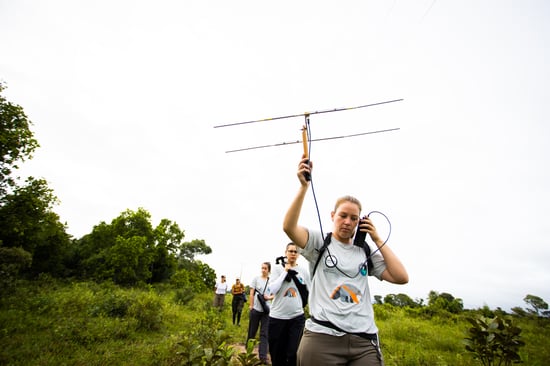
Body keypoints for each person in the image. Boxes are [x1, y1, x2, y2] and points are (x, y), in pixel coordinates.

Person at [283, 156, 409, 366]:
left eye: (354, 218)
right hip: (322, 337)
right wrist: (303, 188)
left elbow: (401, 277)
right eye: (343, 216)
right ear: (333, 215)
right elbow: (289, 227)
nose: (348, 222)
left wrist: (377, 238)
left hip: (364, 341)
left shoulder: (365, 250)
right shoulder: (319, 242)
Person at [268, 243, 310, 366]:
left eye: (295, 252)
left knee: (293, 353)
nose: (293, 254)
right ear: (285, 252)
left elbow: (311, 290)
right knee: (277, 354)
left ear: (299, 254)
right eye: (290, 251)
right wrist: (285, 272)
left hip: (296, 317)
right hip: (277, 317)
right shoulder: (277, 268)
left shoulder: (303, 271)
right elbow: (272, 289)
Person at [247, 262, 273, 364]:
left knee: (264, 333)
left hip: (266, 310)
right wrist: (251, 305)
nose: (263, 270)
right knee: (252, 331)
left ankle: (263, 357)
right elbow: (252, 293)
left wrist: (269, 297)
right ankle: (248, 353)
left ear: (269, 270)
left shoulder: (272, 281)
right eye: (262, 268)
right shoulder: (256, 279)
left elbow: (274, 295)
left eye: (265, 268)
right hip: (256, 310)